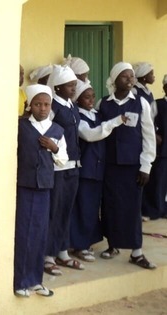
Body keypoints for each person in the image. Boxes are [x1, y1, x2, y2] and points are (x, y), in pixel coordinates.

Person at [98, 62, 156, 269]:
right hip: (110, 165)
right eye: (125, 77)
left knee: (132, 208)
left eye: (131, 76)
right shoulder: (103, 103)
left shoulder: (141, 103)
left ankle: (136, 252)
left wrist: (146, 166)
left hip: (133, 166)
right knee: (111, 206)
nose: (130, 80)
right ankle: (112, 244)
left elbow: (149, 136)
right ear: (114, 80)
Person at [14, 84, 67, 298]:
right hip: (24, 187)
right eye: (38, 104)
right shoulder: (21, 126)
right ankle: (20, 281)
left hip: (44, 188)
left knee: (39, 233)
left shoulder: (57, 130)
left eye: (46, 104)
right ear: (30, 105)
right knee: (23, 234)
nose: (42, 108)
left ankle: (36, 280)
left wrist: (54, 148)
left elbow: (62, 160)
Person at [69, 80, 126, 262]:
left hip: (99, 169)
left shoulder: (96, 114)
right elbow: (91, 135)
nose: (91, 100)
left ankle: (89, 241)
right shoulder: (78, 117)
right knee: (83, 207)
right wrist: (115, 122)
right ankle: (80, 245)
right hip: (86, 169)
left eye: (93, 96)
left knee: (93, 208)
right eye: (86, 97)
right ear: (78, 99)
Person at [43, 65, 83, 276]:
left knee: (67, 210)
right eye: (69, 85)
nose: (73, 89)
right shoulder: (53, 108)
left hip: (73, 166)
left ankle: (62, 250)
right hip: (58, 167)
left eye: (74, 85)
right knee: (54, 210)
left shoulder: (72, 106)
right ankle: (48, 254)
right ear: (57, 88)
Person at [142, 75, 167, 220]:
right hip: (162, 150)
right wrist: (154, 135)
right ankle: (154, 210)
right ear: (164, 88)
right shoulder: (157, 104)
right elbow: (148, 122)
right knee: (158, 181)